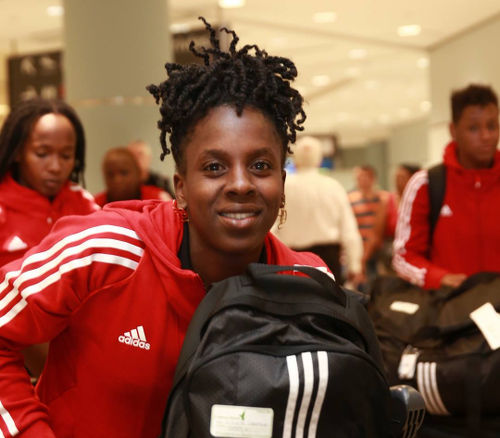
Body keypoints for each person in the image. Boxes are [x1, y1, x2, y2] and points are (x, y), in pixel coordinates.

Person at [0, 18, 329, 437]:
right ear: (181, 188)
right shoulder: (105, 249)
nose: (242, 184)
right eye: (214, 167)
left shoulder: (310, 286)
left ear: (282, 184)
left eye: (261, 165)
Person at [393, 84, 500, 289]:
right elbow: (404, 257)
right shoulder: (426, 183)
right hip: (449, 312)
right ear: (453, 130)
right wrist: (439, 278)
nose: (486, 136)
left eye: (492, 126)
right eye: (474, 128)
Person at [0, 98, 99, 267]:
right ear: (18, 153)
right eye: (42, 154)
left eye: (66, 156)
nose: (55, 167)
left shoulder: (84, 204)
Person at [272, 135, 364, 285]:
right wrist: (355, 265)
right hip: (328, 261)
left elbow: (272, 227)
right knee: (329, 307)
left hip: (291, 258)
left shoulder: (284, 186)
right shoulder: (333, 186)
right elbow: (349, 230)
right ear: (319, 159)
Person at [363, 163, 421, 274]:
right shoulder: (387, 201)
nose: (397, 182)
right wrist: (364, 259)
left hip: (416, 258)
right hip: (390, 258)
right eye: (396, 178)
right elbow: (375, 235)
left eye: (402, 178)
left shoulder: (421, 201)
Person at [348, 165, 388, 286]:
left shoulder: (383, 198)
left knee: (378, 285)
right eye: (359, 177)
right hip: (359, 248)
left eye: (365, 177)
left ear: (372, 178)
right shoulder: (350, 199)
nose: (361, 180)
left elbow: (380, 228)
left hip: (378, 250)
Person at [94, 146, 171, 207]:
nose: (117, 180)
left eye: (124, 173)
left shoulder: (159, 200)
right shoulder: (94, 206)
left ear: (138, 174)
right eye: (110, 174)